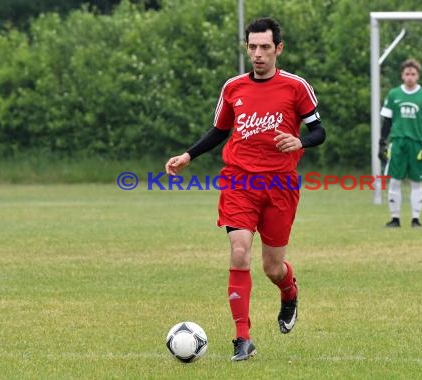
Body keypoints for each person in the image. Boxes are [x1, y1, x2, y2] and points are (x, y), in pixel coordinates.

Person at [164, 17, 325, 361]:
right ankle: (243, 339)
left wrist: (299, 141)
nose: (258, 54)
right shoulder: (233, 88)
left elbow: (319, 132)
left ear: (278, 48)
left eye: (265, 47)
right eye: (252, 47)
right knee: (239, 251)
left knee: (272, 267)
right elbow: (219, 130)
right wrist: (188, 155)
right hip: (239, 181)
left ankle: (289, 292)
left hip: (280, 186)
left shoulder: (296, 87)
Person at [378, 58, 422, 228]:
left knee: (416, 182)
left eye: (413, 74)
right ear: (402, 76)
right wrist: (382, 143)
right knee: (395, 181)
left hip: (417, 144)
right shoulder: (394, 94)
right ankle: (395, 219)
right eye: (407, 74)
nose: (410, 77)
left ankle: (415, 219)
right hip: (398, 143)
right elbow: (387, 121)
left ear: (418, 76)